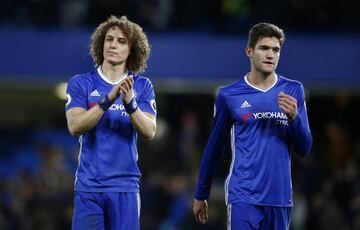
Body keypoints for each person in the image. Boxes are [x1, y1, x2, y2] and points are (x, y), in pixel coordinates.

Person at [193, 23, 313, 229]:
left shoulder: (293, 90)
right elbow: (214, 147)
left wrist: (295, 118)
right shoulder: (228, 95)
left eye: (276, 50)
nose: (270, 55)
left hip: (279, 197)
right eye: (264, 48)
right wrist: (201, 193)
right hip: (243, 195)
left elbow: (304, 148)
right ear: (249, 51)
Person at [65, 15, 157, 230]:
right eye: (109, 39)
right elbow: (75, 126)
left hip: (125, 187)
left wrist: (131, 104)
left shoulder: (142, 86)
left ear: (132, 49)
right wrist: (107, 100)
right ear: (101, 43)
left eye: (121, 41)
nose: (113, 44)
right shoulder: (81, 83)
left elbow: (150, 131)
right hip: (89, 188)